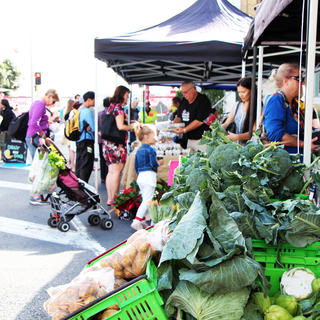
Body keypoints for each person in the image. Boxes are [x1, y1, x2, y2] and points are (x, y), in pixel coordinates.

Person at [263, 63, 318, 154]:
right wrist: (302, 144)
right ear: (286, 81)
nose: (303, 83)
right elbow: (275, 134)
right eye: (299, 79)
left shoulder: (294, 103)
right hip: (283, 163)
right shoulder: (276, 100)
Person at [26, 89, 60, 205]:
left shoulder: (37, 103)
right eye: (53, 101)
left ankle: (37, 194)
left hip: (34, 137)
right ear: (49, 96)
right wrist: (43, 134)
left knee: (39, 165)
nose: (52, 104)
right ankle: (35, 195)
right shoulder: (40, 104)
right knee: (39, 166)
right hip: (36, 138)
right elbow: (33, 123)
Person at [103, 85, 134, 205]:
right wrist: (132, 127)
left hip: (108, 143)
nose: (127, 98)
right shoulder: (119, 108)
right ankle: (114, 199)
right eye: (127, 95)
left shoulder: (110, 107)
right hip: (117, 144)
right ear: (122, 95)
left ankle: (110, 198)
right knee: (116, 171)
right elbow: (120, 126)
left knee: (111, 171)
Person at [131, 125, 162, 230]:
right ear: (147, 136)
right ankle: (137, 220)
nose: (155, 138)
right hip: (149, 177)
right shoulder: (151, 149)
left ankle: (143, 220)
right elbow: (153, 163)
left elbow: (136, 166)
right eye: (154, 135)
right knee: (147, 200)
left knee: (145, 198)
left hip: (141, 177)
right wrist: (159, 163)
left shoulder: (138, 150)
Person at [173, 80, 211, 152]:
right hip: (188, 139)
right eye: (182, 92)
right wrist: (172, 127)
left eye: (186, 92)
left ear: (193, 89)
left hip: (202, 140)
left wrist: (184, 130)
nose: (184, 94)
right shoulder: (184, 101)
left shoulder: (203, 100)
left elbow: (199, 121)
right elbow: (179, 117)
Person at [222, 77, 256, 144]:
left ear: (252, 90)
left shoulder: (257, 107)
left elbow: (255, 131)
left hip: (251, 147)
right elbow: (227, 123)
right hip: (237, 145)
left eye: (243, 92)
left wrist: (238, 137)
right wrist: (218, 128)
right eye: (239, 92)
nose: (241, 95)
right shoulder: (237, 105)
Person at [75, 91, 95, 182]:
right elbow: (94, 127)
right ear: (89, 99)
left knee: (79, 163)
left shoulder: (79, 109)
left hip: (79, 139)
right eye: (94, 100)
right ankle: (83, 187)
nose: (95, 102)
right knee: (86, 164)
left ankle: (77, 187)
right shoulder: (87, 111)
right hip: (87, 140)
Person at [98, 97, 110, 184]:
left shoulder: (99, 114)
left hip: (100, 139)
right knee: (109, 159)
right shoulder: (111, 113)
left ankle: (103, 177)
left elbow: (97, 127)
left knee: (102, 158)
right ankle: (108, 176)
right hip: (110, 140)